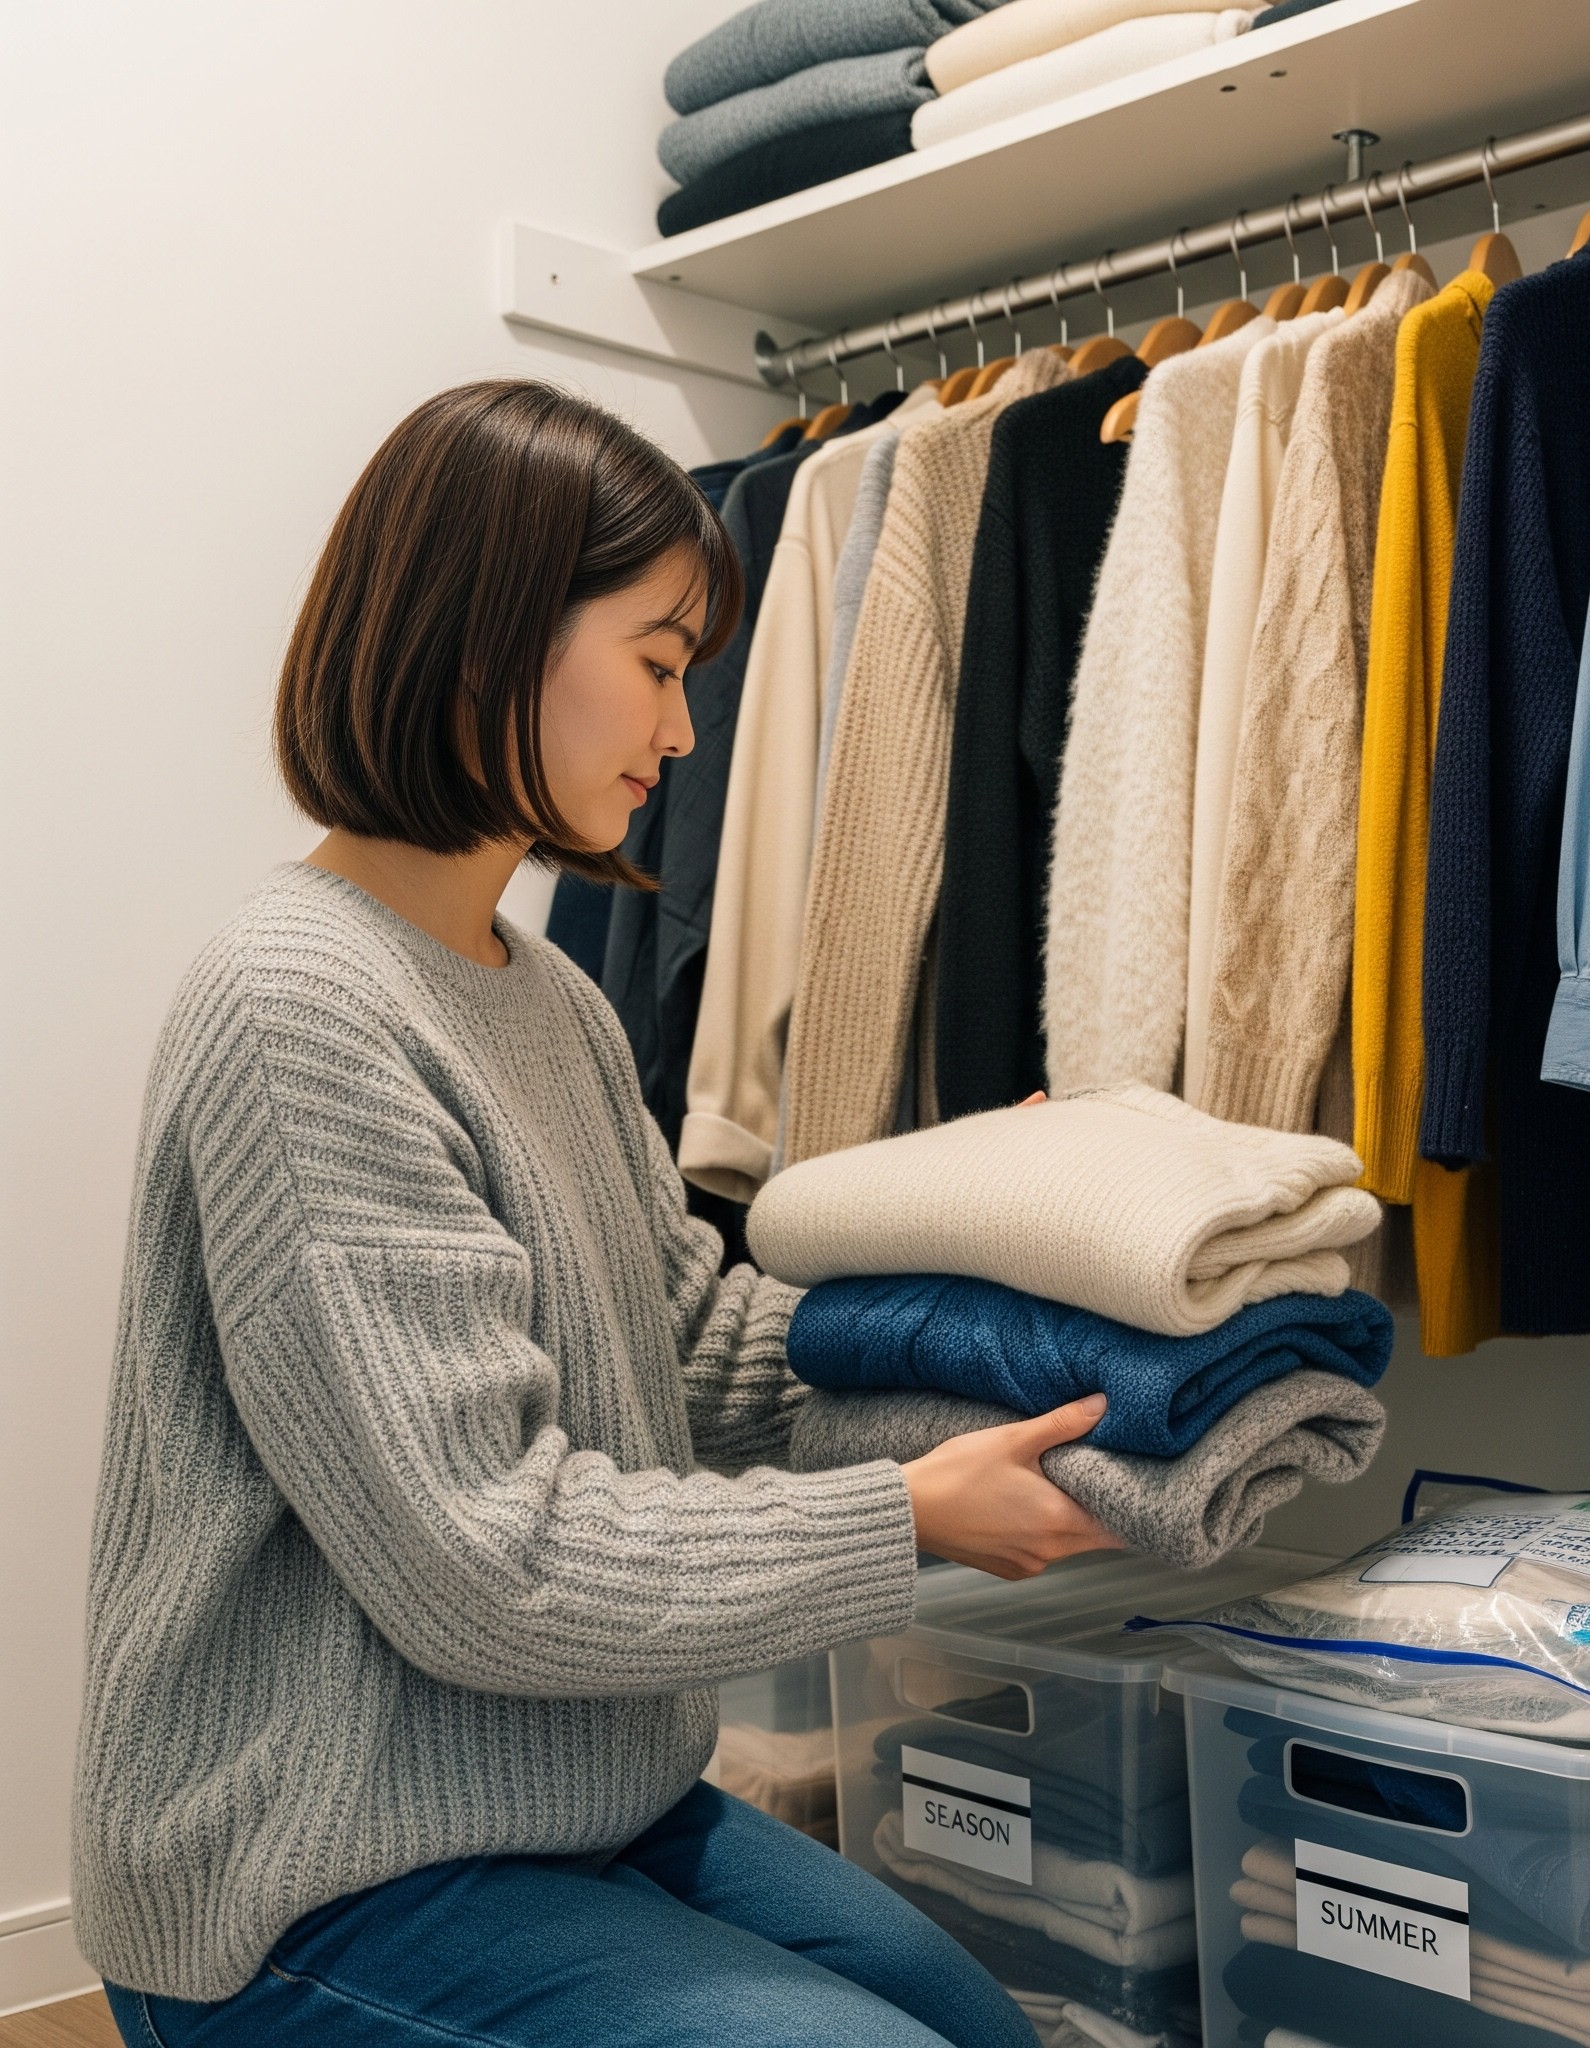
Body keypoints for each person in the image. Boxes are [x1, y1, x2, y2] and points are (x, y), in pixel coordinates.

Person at [75, 381, 1119, 2048]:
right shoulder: (300, 1008)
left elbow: (697, 1346)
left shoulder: (547, 1000)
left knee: (971, 2025)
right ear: (492, 637)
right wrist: (907, 1518)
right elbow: (495, 1560)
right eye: (657, 661)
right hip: (310, 1870)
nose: (685, 730)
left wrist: (1039, 1360)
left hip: (575, 1806)